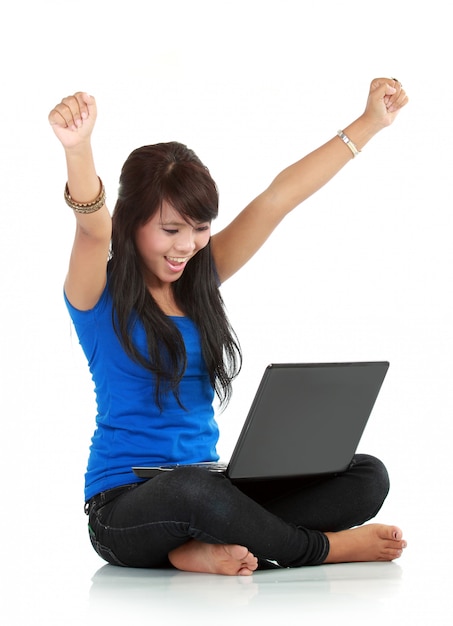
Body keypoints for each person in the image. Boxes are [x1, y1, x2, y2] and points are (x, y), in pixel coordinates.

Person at [48, 77, 408, 576]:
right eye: (171, 230)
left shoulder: (200, 281)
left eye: (199, 228)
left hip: (213, 489)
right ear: (132, 223)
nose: (187, 246)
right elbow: (93, 227)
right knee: (190, 490)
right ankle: (324, 548)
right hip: (124, 508)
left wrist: (369, 123)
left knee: (367, 475)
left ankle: (197, 548)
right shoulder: (96, 295)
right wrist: (79, 148)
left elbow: (277, 198)